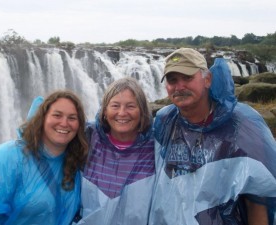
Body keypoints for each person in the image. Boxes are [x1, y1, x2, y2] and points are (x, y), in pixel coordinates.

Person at [148, 48, 276, 225]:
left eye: (187, 78)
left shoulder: (242, 126)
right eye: (172, 80)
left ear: (207, 79)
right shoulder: (164, 120)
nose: (179, 86)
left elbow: (258, 199)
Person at [0, 90, 88, 225]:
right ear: (42, 118)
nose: (64, 123)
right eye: (57, 115)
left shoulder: (75, 162)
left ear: (79, 125)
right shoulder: (8, 157)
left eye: (72, 118)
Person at [73, 77, 155, 225]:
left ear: (142, 111)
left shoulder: (156, 146)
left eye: (130, 106)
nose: (122, 113)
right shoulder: (86, 138)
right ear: (104, 111)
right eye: (115, 106)